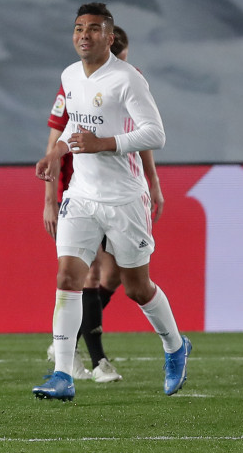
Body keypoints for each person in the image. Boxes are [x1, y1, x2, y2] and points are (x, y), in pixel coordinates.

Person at [33, 3, 190, 402]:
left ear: (110, 36)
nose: (84, 35)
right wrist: (57, 152)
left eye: (94, 29)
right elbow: (75, 121)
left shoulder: (128, 79)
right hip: (82, 195)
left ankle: (175, 346)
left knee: (137, 288)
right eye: (79, 28)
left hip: (124, 199)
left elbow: (155, 134)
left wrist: (105, 144)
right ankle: (62, 375)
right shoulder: (70, 75)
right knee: (68, 278)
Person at [42, 25, 164, 384]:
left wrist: (152, 180)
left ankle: (69, 340)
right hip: (79, 186)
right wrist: (51, 198)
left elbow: (141, 136)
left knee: (114, 276)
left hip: (118, 187)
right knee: (88, 273)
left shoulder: (127, 81)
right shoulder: (74, 82)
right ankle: (97, 363)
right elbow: (55, 138)